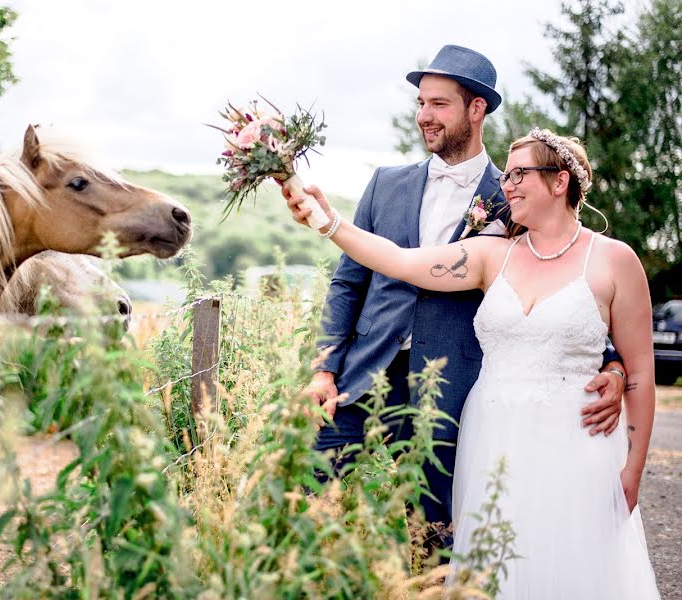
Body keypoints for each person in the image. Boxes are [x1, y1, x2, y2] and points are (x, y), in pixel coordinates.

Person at [286, 128, 660, 597]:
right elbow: (400, 261)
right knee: (492, 564)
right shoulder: (491, 256)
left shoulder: (614, 260)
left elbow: (640, 372)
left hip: (578, 444)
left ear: (560, 181)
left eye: (521, 173)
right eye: (509, 175)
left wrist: (633, 469)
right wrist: (330, 223)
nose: (508, 184)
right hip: (492, 438)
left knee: (571, 564)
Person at [283, 44, 625, 542]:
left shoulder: (513, 193)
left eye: (438, 104)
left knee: (434, 536)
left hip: (451, 390)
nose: (425, 116)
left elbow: (561, 282)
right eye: (420, 103)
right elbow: (348, 282)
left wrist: (612, 364)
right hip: (361, 376)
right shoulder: (385, 184)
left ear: (476, 108)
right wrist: (323, 368)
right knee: (304, 503)